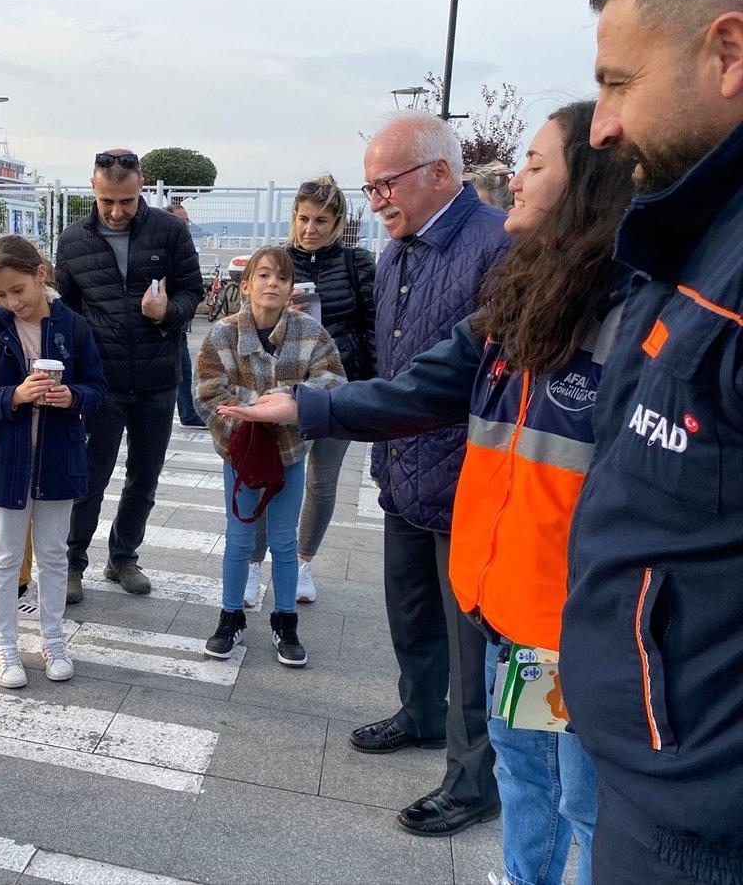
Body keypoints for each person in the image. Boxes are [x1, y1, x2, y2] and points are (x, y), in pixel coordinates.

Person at [221, 100, 634, 883]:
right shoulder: (511, 294)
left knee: (580, 796)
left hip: (566, 601)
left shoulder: (620, 311)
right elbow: (417, 376)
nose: (513, 180)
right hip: (490, 558)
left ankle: (466, 777)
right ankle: (491, 820)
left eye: (536, 166)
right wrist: (312, 404)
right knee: (524, 763)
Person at [562, 0, 743, 881]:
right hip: (653, 774)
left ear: (728, 53)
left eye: (618, 84)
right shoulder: (693, 235)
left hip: (700, 822)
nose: (601, 127)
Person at [348, 112, 512, 835]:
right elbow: (392, 365)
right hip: (403, 472)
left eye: (385, 184)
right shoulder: (395, 252)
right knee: (410, 613)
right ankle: (418, 712)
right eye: (369, 188)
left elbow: (480, 374)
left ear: (439, 174)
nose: (376, 200)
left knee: (471, 639)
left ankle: (474, 779)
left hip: (469, 484)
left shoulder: (497, 246)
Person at [57, 149, 204, 603]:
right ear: (93, 190)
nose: (117, 212)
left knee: (145, 476)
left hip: (159, 379)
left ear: (141, 188)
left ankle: (123, 557)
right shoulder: (73, 240)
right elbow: (65, 310)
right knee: (88, 477)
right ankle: (71, 564)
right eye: (107, 202)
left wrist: (167, 313)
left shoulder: (169, 230)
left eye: (126, 200)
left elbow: (192, 291)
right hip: (100, 384)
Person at [0, 236, 107, 688]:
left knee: (53, 554)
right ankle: (2, 644)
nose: (11, 302)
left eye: (18, 290)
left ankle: (53, 638)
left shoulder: (74, 326)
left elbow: (98, 389)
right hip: (5, 460)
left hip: (58, 458)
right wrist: (15, 395)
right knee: (3, 555)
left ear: (40, 276)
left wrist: (73, 397)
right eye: (1, 295)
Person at [194, 246, 343, 667]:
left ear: (292, 288)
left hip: (291, 452)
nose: (272, 284)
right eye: (263, 276)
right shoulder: (223, 332)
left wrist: (292, 401)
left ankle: (285, 620)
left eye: (281, 277)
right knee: (239, 537)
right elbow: (206, 389)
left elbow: (332, 380)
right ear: (246, 286)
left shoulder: (311, 333)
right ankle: (230, 617)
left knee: (282, 538)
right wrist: (253, 413)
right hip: (240, 452)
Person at [246, 173, 377, 607]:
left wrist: (372, 382)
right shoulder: (277, 260)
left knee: (322, 481)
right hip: (281, 384)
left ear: (337, 221)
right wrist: (279, 311)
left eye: (321, 220)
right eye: (303, 219)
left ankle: (303, 562)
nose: (310, 229)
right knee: (272, 475)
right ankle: (252, 565)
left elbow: (371, 325)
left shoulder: (358, 264)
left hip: (338, 384)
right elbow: (247, 324)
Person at [166, 202, 207, 429]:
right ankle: (188, 413)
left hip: (178, 321)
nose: (186, 225)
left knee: (184, 369)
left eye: (187, 221)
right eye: (181, 221)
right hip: (168, 321)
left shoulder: (183, 245)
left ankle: (189, 412)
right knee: (181, 370)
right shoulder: (166, 247)